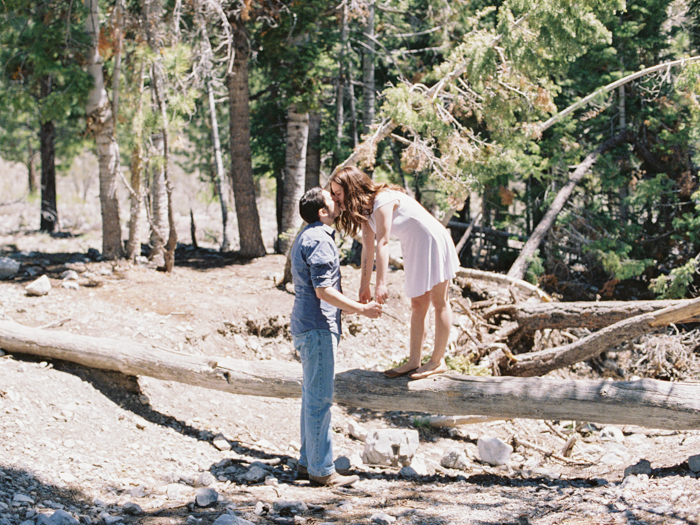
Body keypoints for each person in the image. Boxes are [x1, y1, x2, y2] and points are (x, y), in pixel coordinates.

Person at [329, 166, 459, 380]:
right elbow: (368, 248)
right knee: (418, 304)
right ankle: (413, 361)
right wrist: (364, 286)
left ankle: (437, 361)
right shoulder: (365, 210)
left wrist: (381, 283)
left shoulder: (383, 200)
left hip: (433, 241)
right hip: (415, 246)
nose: (335, 198)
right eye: (333, 194)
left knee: (439, 302)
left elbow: (384, 242)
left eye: (338, 193)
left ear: (352, 189)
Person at [290, 186, 383, 487]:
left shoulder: (308, 235)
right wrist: (361, 309)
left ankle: (308, 462)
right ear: (322, 212)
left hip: (308, 325)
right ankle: (322, 470)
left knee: (311, 397)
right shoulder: (319, 239)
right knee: (320, 401)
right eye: (333, 200)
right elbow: (323, 291)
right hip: (317, 327)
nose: (338, 202)